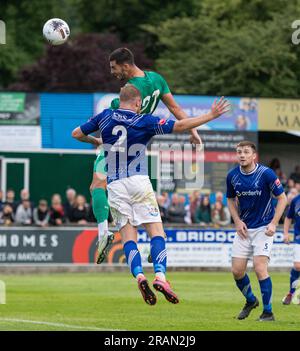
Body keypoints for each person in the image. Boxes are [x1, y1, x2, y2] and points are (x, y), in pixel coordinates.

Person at [72, 84, 229, 305]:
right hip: (138, 181)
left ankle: (139, 275)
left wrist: (96, 141)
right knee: (157, 233)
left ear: (120, 99)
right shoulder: (144, 120)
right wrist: (211, 115)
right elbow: (182, 124)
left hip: (116, 185)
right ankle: (161, 276)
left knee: (128, 238)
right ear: (137, 103)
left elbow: (76, 133)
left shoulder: (105, 116)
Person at [91, 47, 203, 264]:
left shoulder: (129, 91)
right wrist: (193, 131)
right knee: (142, 201)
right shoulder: (156, 79)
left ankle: (104, 233)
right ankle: (158, 240)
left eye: (114, 68)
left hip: (120, 147)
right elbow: (174, 107)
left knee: (97, 185)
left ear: (126, 65)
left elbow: (116, 121)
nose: (112, 73)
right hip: (138, 144)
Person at [226, 141, 287, 321]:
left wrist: (274, 223)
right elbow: (230, 199)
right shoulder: (232, 176)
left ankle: (268, 312)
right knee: (237, 271)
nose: (242, 155)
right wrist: (237, 221)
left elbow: (282, 199)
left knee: (260, 268)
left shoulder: (266, 174)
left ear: (254, 156)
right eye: (239, 152)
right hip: (244, 229)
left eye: (246, 152)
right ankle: (251, 300)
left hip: (263, 228)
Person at [282, 193, 300, 305]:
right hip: (299, 238)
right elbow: (288, 218)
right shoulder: (296, 200)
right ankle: (291, 292)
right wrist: (285, 233)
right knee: (298, 266)